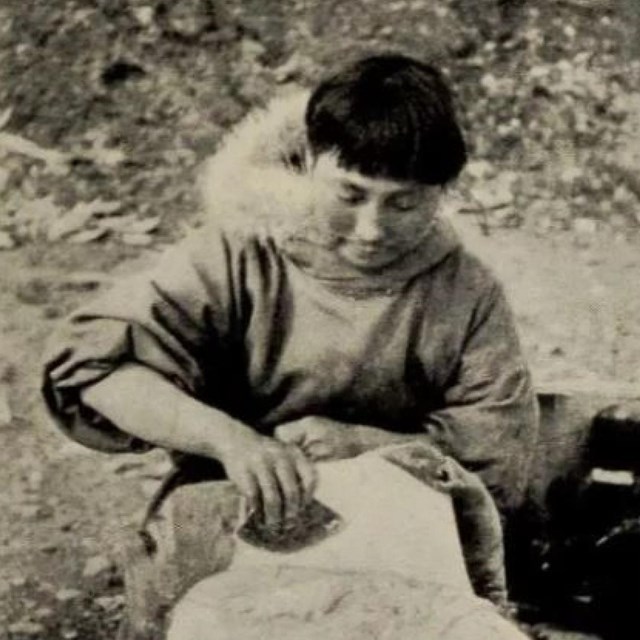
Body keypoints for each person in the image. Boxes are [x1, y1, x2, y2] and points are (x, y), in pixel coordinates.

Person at [42, 54, 538, 538]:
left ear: (440, 193)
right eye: (348, 195)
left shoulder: (468, 291)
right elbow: (92, 367)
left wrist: (376, 448)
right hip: (234, 502)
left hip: (405, 517)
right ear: (308, 164)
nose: (371, 230)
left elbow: (497, 453)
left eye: (404, 204)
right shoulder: (237, 252)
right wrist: (235, 443)